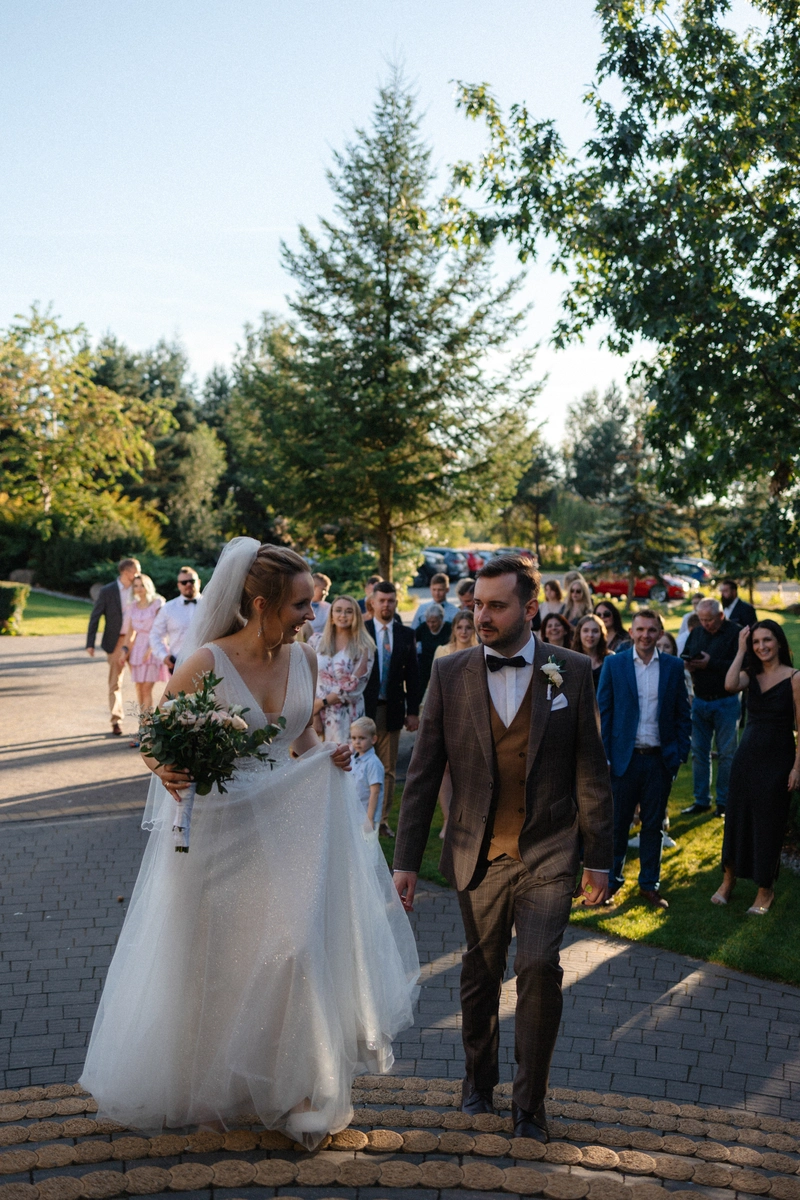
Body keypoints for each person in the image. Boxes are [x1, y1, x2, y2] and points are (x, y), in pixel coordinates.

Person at [79, 539, 418, 1147]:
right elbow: (153, 737)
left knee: (296, 950)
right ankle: (208, 1093)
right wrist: (166, 769)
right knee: (213, 960)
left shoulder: (305, 659)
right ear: (261, 604)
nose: (311, 616)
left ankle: (297, 1088)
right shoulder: (207, 662)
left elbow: (301, 738)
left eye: (311, 605)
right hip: (219, 830)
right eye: (300, 606)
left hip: (290, 826)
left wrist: (328, 756)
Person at [393, 555, 612, 1142]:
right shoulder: (450, 672)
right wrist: (406, 860)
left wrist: (599, 857)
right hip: (478, 851)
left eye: (496, 605)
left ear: (530, 608)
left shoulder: (571, 670)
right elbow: (423, 772)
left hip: (550, 850)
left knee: (538, 967)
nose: (481, 616)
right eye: (476, 605)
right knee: (481, 970)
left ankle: (530, 1106)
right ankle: (477, 1082)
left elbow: (591, 768)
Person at [597, 610, 691, 910]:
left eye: (651, 630)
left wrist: (678, 754)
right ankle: (611, 882)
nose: (645, 635)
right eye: (640, 629)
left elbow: (682, 714)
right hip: (623, 760)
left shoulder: (674, 666)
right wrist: (605, 756)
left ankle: (649, 885)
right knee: (618, 825)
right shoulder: (615, 664)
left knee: (653, 825)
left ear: (660, 632)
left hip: (659, 760)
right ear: (631, 631)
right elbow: (604, 713)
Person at [712, 621, 800, 914]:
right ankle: (728, 881)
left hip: (778, 760)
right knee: (736, 820)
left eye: (767, 640)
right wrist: (740, 649)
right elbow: (729, 684)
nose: (762, 646)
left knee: (769, 824)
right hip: (747, 757)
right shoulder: (751, 675)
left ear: (779, 642)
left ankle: (765, 890)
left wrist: (797, 768)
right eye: (756, 642)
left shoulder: (795, 678)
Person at [364, 582, 421, 838]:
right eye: (382, 600)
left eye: (390, 601)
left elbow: (414, 675)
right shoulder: (362, 631)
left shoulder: (406, 634)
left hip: (392, 708)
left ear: (396, 603)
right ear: (372, 603)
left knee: (387, 768)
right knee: (360, 764)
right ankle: (361, 816)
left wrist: (413, 711)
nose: (386, 605)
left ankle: (382, 821)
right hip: (363, 708)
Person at [681, 598, 742, 817]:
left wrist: (711, 663)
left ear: (721, 616)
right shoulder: (697, 632)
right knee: (699, 752)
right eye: (701, 619)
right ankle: (701, 800)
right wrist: (689, 663)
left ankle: (724, 802)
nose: (705, 623)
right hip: (700, 700)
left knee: (726, 753)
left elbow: (742, 666)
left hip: (726, 700)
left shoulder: (736, 633)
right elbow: (686, 652)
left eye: (709, 619)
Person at [430, 611, 478, 837]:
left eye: (468, 627)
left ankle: (469, 818)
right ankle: (448, 819)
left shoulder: (481, 652)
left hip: (473, 716)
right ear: (454, 629)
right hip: (447, 713)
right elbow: (433, 685)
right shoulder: (443, 651)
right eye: (460, 627)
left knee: (470, 768)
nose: (464, 631)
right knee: (445, 768)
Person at [86, 556, 141, 736]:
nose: (138, 575)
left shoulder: (139, 588)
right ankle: (116, 720)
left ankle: (146, 722)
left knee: (142, 681)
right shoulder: (107, 591)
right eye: (135, 571)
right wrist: (90, 643)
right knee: (115, 682)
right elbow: (95, 616)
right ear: (125, 572)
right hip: (116, 641)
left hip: (137, 640)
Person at [310, 595, 375, 742]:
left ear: (356, 616)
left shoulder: (364, 646)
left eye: (349, 611)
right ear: (331, 615)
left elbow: (355, 686)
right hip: (317, 715)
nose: (343, 615)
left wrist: (321, 703)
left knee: (345, 755)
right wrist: (314, 713)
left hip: (348, 718)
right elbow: (306, 678)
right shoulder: (316, 641)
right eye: (338, 610)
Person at [120, 574, 169, 710]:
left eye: (142, 585)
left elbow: (162, 629)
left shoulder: (157, 603)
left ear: (148, 586)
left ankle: (148, 722)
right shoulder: (133, 606)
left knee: (147, 688)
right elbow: (130, 632)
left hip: (154, 647)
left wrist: (150, 650)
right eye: (136, 586)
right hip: (137, 650)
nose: (139, 588)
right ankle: (143, 720)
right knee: (139, 688)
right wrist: (124, 651)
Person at [149, 567, 202, 673]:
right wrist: (164, 656)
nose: (188, 584)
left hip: (207, 663)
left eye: (192, 581)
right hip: (178, 664)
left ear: (199, 582)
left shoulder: (212, 606)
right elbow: (155, 635)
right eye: (184, 582)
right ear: (178, 585)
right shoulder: (168, 608)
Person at [350, 716, 385, 831]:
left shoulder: (373, 763)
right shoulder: (353, 760)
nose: (357, 742)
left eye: (362, 738)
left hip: (367, 817)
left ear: (373, 739)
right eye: (354, 738)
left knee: (368, 842)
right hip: (354, 815)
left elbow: (375, 792)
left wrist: (369, 819)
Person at [415, 603, 452, 695]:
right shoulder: (423, 628)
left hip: (442, 666)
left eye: (434, 622)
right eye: (428, 621)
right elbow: (411, 640)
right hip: (425, 666)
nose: (430, 625)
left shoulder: (449, 629)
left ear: (441, 619)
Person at [572, 613, 613, 690]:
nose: (590, 635)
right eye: (585, 631)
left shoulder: (611, 658)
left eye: (595, 631)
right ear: (579, 633)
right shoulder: (570, 659)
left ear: (601, 634)